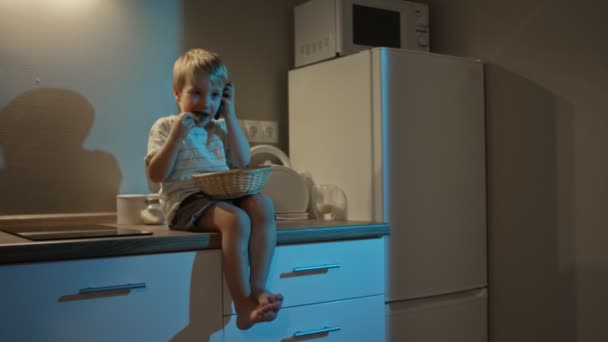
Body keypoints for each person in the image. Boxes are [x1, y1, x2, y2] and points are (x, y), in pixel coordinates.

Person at [145, 48, 282, 330]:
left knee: (263, 205)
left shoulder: (218, 129)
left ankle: (257, 286)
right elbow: (156, 174)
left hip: (220, 197)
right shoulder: (166, 126)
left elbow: (243, 160)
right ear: (176, 93)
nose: (206, 103)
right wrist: (176, 138)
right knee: (236, 219)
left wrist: (230, 114)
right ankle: (243, 306)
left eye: (215, 95)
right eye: (196, 93)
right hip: (185, 204)